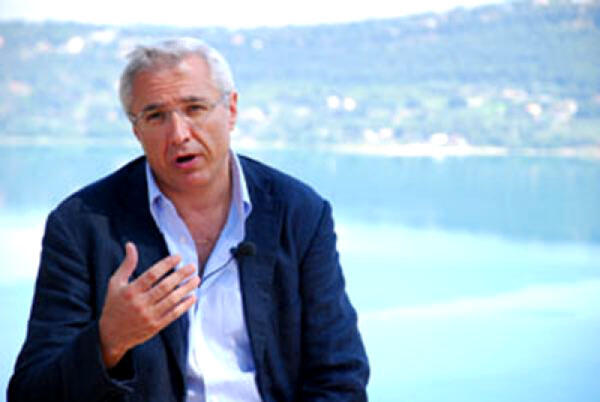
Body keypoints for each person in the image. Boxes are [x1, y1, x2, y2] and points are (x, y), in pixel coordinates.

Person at [7, 38, 369, 402]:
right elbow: (30, 394)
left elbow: (339, 377)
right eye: (156, 116)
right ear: (136, 130)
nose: (179, 134)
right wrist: (109, 341)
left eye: (194, 108)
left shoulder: (299, 212)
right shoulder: (82, 225)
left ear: (231, 110)